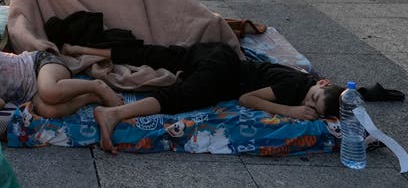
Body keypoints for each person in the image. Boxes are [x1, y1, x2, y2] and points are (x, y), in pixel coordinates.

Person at [62, 42, 344, 154]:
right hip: (224, 67)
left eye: (313, 108)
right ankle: (114, 114)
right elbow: (248, 99)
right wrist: (291, 111)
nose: (307, 104)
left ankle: (79, 48)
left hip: (216, 57)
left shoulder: (306, 85)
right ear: (320, 83)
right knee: (185, 97)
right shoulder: (295, 86)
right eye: (313, 97)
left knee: (158, 55)